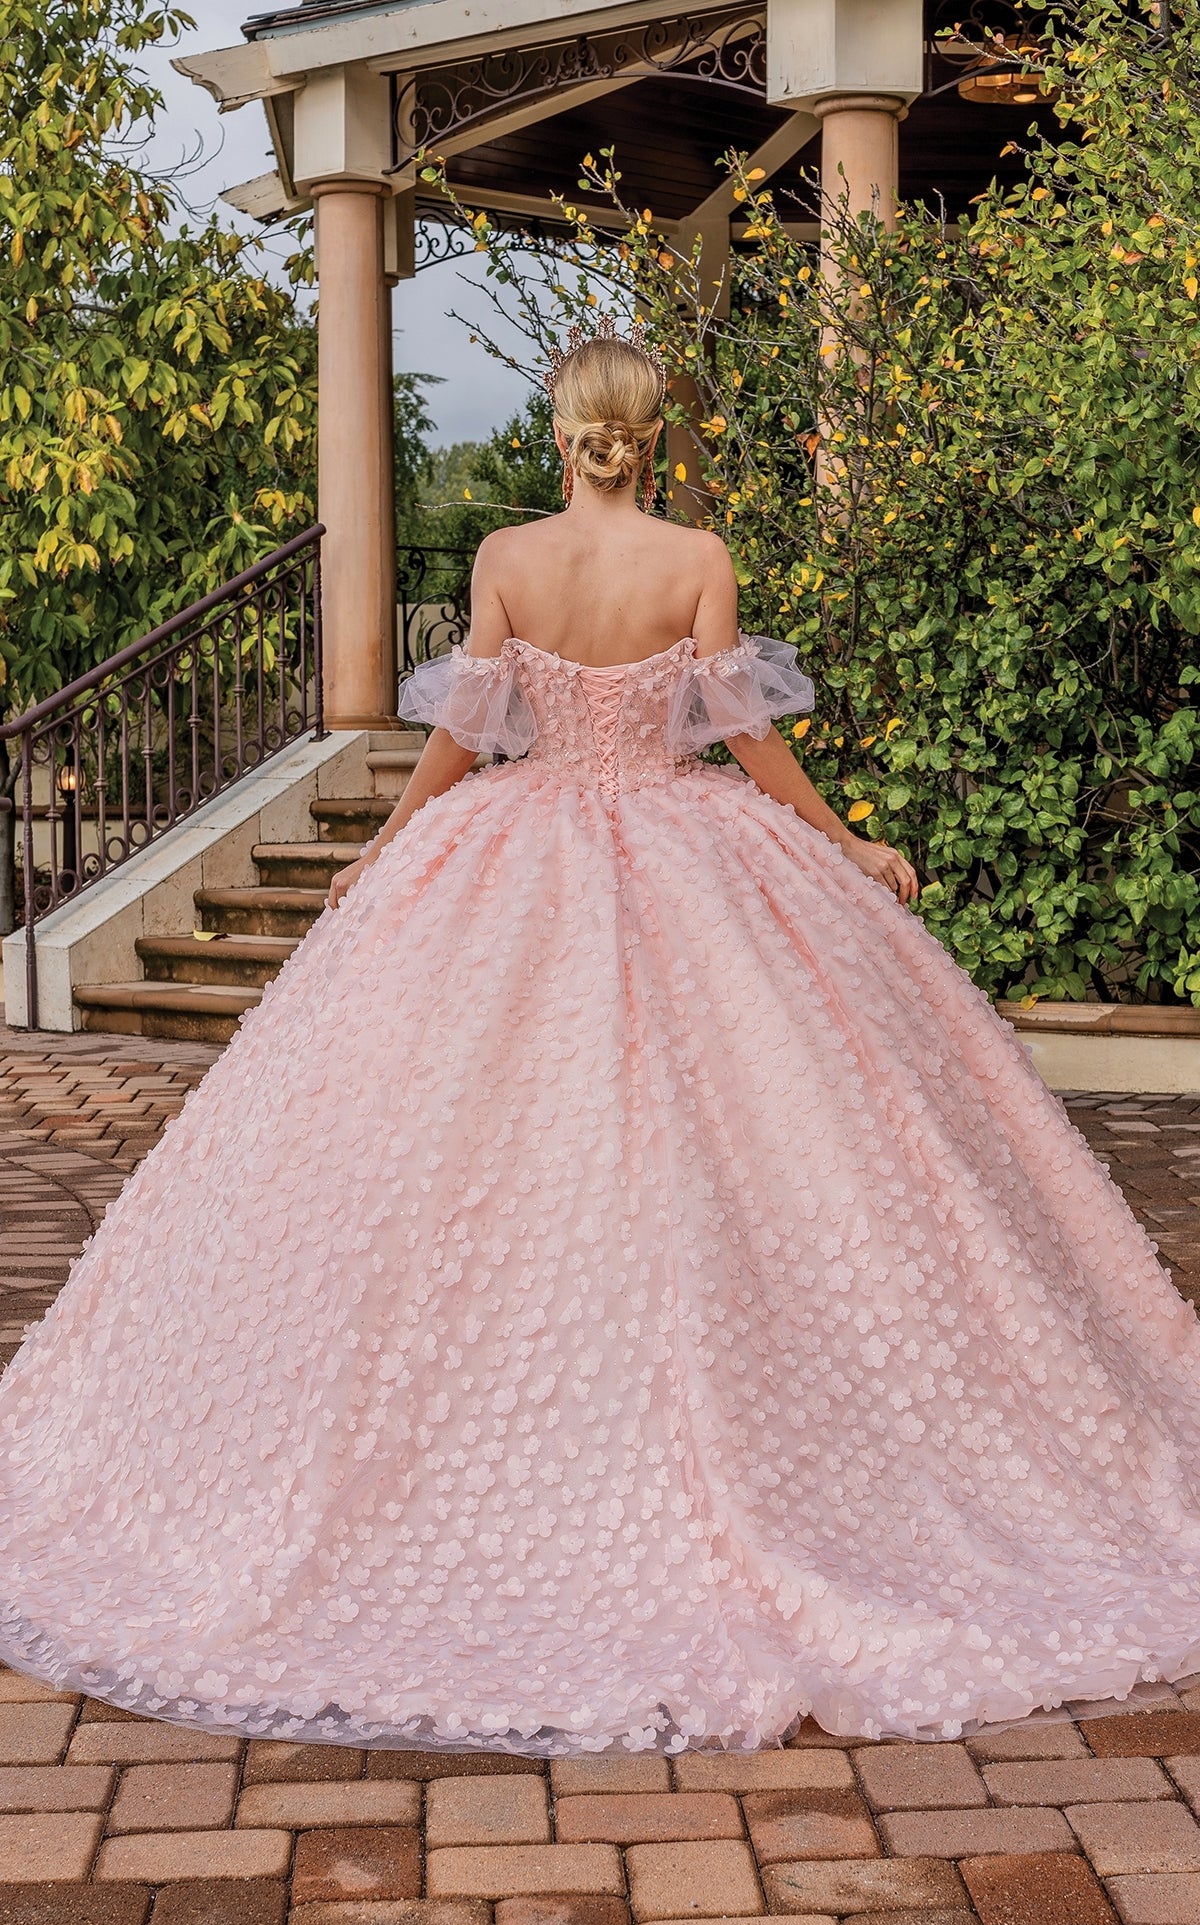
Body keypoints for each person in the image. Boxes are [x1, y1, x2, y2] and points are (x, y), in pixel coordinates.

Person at [1, 324, 1198, 1757]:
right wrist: (842, 838)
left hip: (524, 839)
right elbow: (747, 740)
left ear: (565, 436)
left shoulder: (508, 558)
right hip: (692, 847)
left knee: (461, 1138)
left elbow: (467, 736)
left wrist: (392, 844)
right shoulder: (696, 561)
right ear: (653, 436)